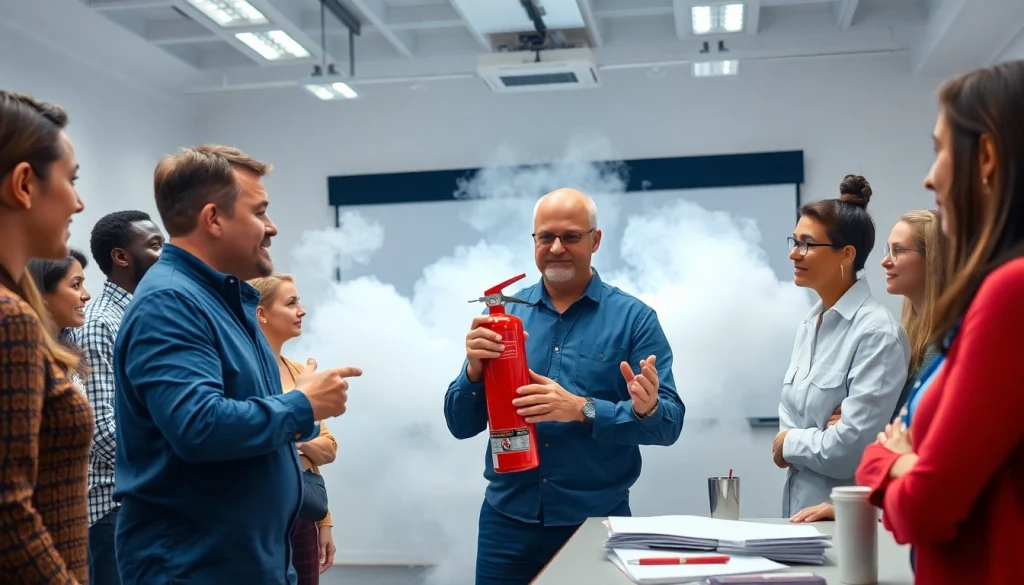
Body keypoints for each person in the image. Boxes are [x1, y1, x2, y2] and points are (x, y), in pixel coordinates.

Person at [112, 144, 361, 585]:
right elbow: (200, 427)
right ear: (213, 219)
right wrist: (302, 405)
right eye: (260, 212)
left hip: (245, 561)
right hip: (196, 568)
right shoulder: (172, 302)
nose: (272, 227)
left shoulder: (227, 301)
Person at [444, 188, 685, 585]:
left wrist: (582, 409)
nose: (556, 247)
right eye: (545, 237)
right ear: (534, 242)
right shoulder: (503, 318)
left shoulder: (634, 320)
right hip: (506, 523)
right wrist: (472, 371)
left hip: (593, 526)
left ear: (595, 240)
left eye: (571, 236)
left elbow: (669, 424)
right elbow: (460, 424)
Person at [856, 59, 1024, 585]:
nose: (929, 177)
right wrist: (909, 461)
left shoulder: (1009, 292)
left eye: (940, 149)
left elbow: (925, 507)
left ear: (989, 156)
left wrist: (891, 460)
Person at [791, 209, 948, 523]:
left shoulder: (944, 345)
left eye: (898, 251)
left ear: (934, 260)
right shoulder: (913, 339)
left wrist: (858, 428)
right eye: (887, 249)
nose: (884, 261)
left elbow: (914, 443)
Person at [774, 175, 910, 519]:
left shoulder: (877, 333)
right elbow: (789, 415)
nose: (793, 252)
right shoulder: (809, 323)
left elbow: (849, 451)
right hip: (797, 518)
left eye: (806, 244)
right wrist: (811, 435)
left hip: (846, 526)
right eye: (794, 240)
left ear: (846, 254)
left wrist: (791, 442)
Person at [0, 90, 92, 584]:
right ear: (23, 184)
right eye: (71, 180)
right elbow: (7, 514)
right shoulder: (8, 318)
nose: (78, 201)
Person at [71, 209, 164, 585]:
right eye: (156, 245)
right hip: (114, 505)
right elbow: (103, 431)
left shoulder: (143, 314)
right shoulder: (101, 323)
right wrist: (170, 465)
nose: (165, 255)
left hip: (145, 496)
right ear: (121, 257)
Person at [251, 273, 339, 582]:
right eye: (291, 303)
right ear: (261, 313)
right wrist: (294, 434)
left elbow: (328, 448)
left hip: (303, 510)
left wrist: (324, 522)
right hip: (262, 512)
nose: (301, 310)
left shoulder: (299, 371)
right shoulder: (244, 372)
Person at [26, 248, 92, 347]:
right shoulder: (26, 354)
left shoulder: (70, 342)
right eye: (76, 285)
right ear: (41, 293)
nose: (86, 295)